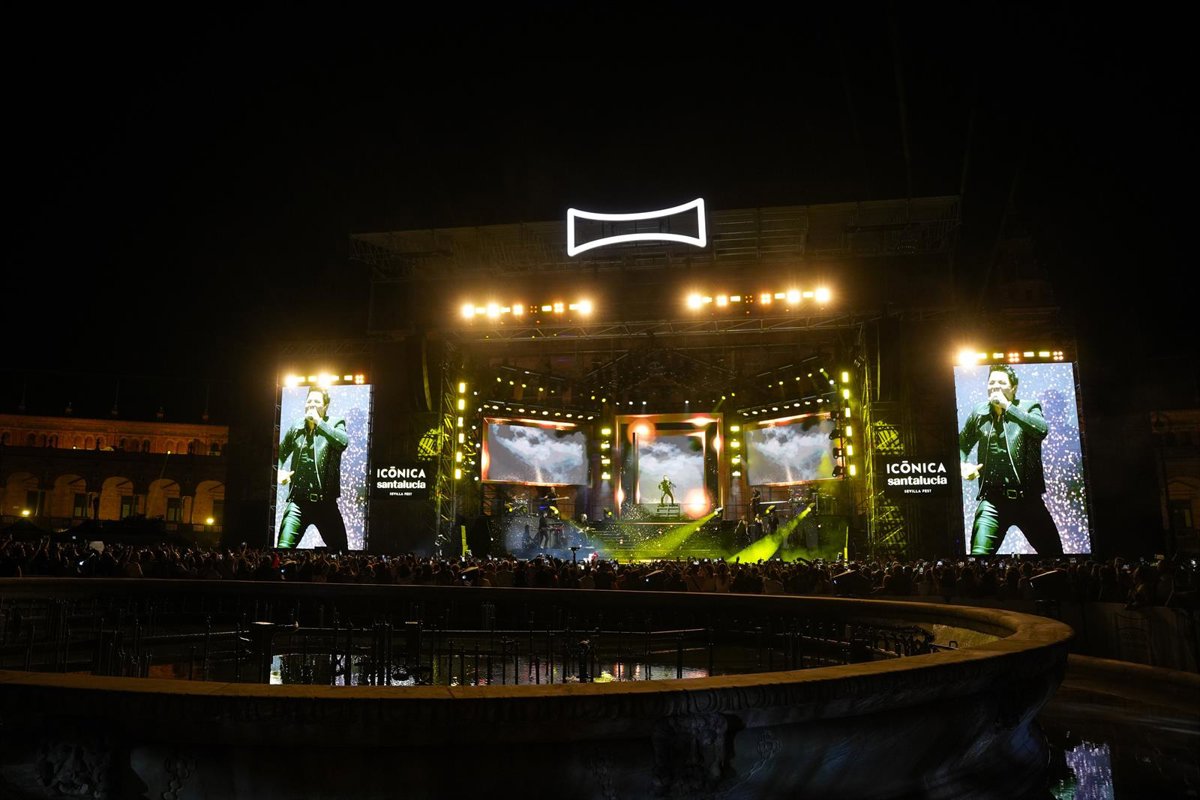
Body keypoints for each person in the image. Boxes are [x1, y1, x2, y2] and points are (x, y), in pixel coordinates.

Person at [958, 365, 1063, 556]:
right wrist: (963, 466)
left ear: (1013, 388)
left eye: (1001, 382)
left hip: (1028, 500)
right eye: (991, 382)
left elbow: (1041, 430)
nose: (995, 386)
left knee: (1055, 556)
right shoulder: (979, 413)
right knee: (978, 558)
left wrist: (1008, 407)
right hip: (992, 501)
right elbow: (961, 445)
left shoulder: (1029, 407)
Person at [276, 387, 349, 550]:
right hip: (298, 503)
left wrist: (319, 422)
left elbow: (343, 442)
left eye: (316, 401)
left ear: (325, 406)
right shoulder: (296, 427)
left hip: (325, 504)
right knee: (282, 550)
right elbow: (279, 454)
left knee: (341, 551)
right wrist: (278, 472)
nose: (311, 404)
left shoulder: (335, 423)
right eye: (309, 401)